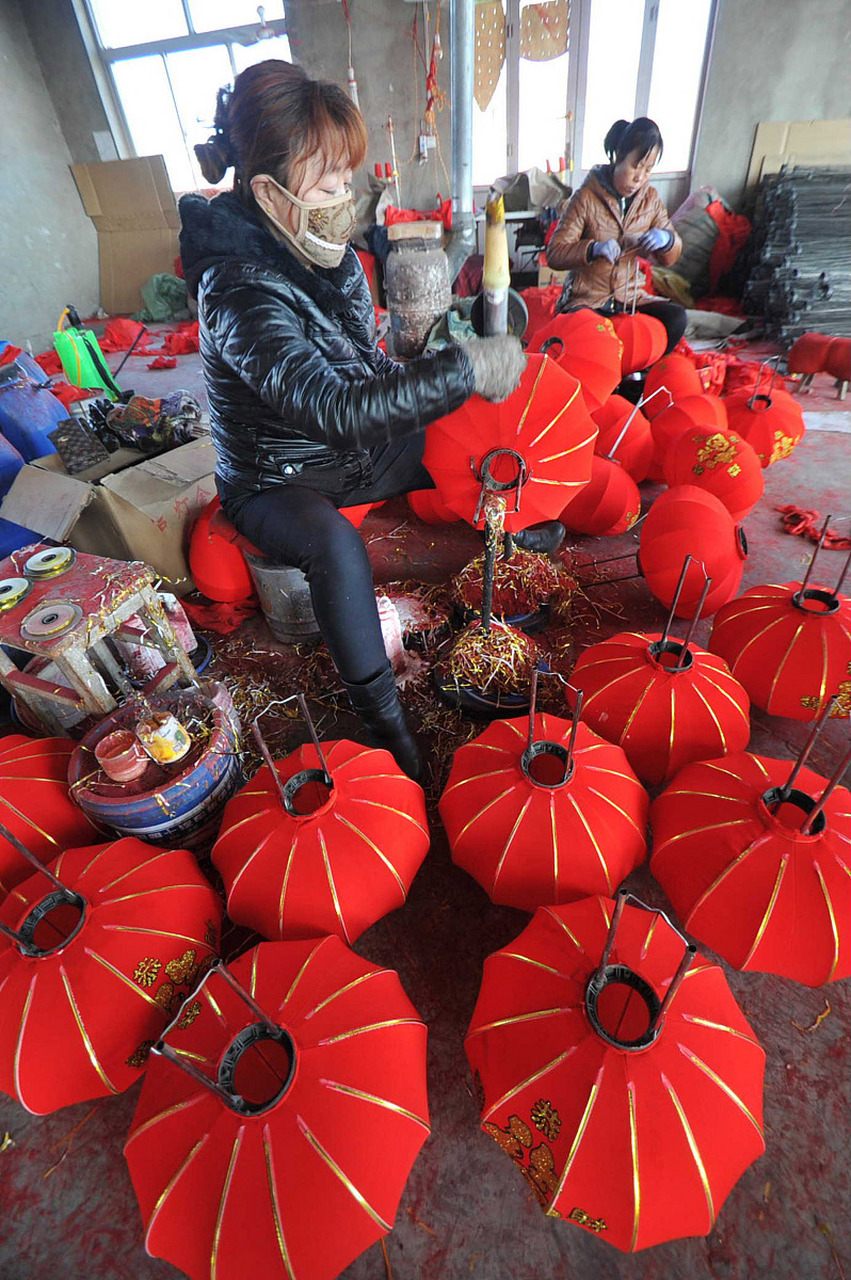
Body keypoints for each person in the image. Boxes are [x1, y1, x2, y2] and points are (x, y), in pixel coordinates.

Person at [178, 60, 538, 781]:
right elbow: (335, 409)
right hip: (277, 476)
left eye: (347, 182)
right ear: (267, 192)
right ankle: (385, 722)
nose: (347, 199)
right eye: (330, 186)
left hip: (349, 451)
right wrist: (462, 368)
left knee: (473, 439)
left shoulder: (330, 257)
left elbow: (368, 371)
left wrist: (448, 374)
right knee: (336, 550)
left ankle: (517, 524)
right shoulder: (235, 288)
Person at [545, 117, 686, 358]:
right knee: (592, 340)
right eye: (635, 166)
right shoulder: (586, 198)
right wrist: (593, 249)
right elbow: (555, 254)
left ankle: (639, 384)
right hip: (588, 300)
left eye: (648, 169)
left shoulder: (650, 200)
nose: (639, 177)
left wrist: (667, 239)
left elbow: (671, 258)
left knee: (675, 318)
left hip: (630, 296)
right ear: (619, 156)